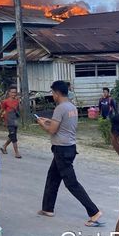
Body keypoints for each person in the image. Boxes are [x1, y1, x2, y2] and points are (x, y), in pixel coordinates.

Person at [37, 80, 103, 227]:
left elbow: (52, 130)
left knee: (71, 183)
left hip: (62, 149)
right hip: (68, 147)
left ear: (57, 93)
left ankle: (94, 212)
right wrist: (49, 120)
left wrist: (42, 124)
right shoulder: (71, 107)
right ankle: (47, 208)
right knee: (52, 177)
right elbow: (63, 125)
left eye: (53, 93)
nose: (52, 96)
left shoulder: (60, 108)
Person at [0, 86, 22, 159]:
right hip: (9, 121)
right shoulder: (5, 101)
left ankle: (4, 146)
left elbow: (21, 110)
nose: (14, 94)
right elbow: (1, 110)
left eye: (15, 92)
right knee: (14, 137)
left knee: (12, 135)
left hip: (15, 121)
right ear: (9, 93)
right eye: (12, 92)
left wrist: (19, 102)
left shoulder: (17, 101)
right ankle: (17, 153)